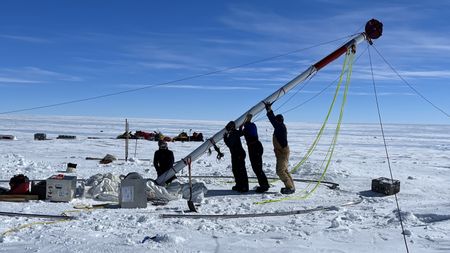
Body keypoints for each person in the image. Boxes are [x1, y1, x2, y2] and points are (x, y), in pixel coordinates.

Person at [264, 102, 295, 194]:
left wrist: (269, 110)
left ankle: (290, 188)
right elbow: (274, 121)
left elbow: (272, 120)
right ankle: (291, 187)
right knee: (284, 170)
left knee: (280, 171)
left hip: (283, 153)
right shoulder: (280, 127)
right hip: (282, 152)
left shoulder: (280, 127)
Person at [239, 114, 270, 193]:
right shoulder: (253, 125)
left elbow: (240, 134)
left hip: (254, 148)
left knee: (257, 168)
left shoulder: (247, 128)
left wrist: (240, 126)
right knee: (257, 167)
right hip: (257, 146)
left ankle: (264, 185)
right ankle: (264, 184)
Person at [223, 121, 249, 192]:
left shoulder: (233, 133)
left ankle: (244, 187)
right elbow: (241, 133)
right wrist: (240, 127)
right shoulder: (235, 132)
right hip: (237, 154)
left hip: (238, 154)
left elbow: (230, 144)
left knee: (240, 171)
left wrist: (225, 139)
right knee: (236, 170)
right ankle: (239, 185)